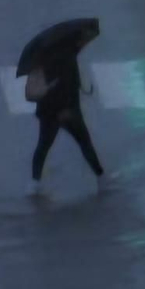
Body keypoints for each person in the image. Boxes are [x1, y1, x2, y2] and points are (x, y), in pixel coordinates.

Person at [29, 51, 106, 195]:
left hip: (49, 112)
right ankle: (101, 177)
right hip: (65, 111)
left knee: (43, 146)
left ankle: (35, 183)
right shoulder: (66, 58)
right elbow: (66, 85)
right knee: (84, 143)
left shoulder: (43, 58)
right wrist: (65, 108)